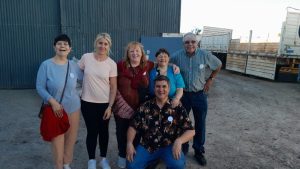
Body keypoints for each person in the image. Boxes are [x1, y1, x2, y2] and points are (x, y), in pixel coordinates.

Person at [170, 32, 222, 166]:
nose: (190, 44)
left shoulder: (205, 55)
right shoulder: (176, 56)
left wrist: (210, 79)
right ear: (183, 44)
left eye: (193, 41)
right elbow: (166, 64)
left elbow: (218, 65)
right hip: (183, 96)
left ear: (197, 42)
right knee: (183, 123)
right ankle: (184, 147)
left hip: (199, 95)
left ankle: (198, 150)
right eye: (187, 42)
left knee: (200, 123)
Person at [126, 75, 195, 169]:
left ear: (169, 88)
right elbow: (132, 126)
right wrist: (129, 143)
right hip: (147, 146)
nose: (161, 89)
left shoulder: (177, 107)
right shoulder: (145, 106)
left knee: (177, 165)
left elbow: (191, 131)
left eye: (164, 86)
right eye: (158, 86)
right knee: (132, 165)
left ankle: (160, 160)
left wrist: (179, 141)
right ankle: (153, 161)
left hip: (169, 145)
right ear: (154, 88)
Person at [36, 34, 83, 169]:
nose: (62, 46)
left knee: (71, 138)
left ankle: (66, 163)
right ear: (54, 47)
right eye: (59, 44)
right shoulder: (46, 65)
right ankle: (58, 166)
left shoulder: (74, 66)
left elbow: (87, 78)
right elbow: (40, 86)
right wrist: (52, 101)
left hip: (73, 108)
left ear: (70, 49)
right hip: (55, 109)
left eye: (65, 44)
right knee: (57, 139)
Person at [78, 33, 117, 169]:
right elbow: (76, 73)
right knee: (92, 131)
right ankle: (91, 160)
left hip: (104, 104)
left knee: (104, 131)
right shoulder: (86, 58)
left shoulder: (111, 64)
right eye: (100, 43)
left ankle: (103, 159)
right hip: (87, 103)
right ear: (96, 44)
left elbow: (113, 87)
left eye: (105, 44)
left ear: (109, 46)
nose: (102, 46)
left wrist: (110, 106)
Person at [113, 41, 154, 168]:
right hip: (122, 107)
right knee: (121, 132)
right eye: (132, 51)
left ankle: (134, 156)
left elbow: (163, 63)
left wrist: (174, 66)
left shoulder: (148, 65)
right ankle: (121, 155)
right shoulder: (120, 65)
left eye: (137, 51)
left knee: (138, 133)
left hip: (140, 108)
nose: (135, 53)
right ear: (127, 53)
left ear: (142, 53)